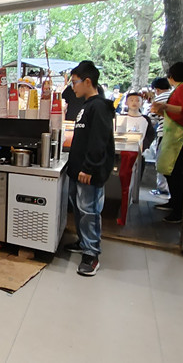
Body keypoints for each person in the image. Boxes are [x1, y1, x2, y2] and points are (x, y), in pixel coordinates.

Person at [62, 60, 115, 276]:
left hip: (89, 171)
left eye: (74, 82)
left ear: (87, 81)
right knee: (79, 208)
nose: (72, 87)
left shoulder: (100, 107)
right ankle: (83, 242)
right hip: (78, 169)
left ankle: (91, 254)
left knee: (89, 211)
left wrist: (89, 168)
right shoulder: (85, 106)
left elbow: (98, 141)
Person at [151, 62, 183, 223]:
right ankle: (174, 202)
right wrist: (163, 110)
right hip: (175, 134)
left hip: (180, 136)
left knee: (175, 172)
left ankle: (178, 210)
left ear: (171, 75)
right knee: (170, 171)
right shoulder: (182, 88)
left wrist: (165, 106)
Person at [116, 92, 153, 225]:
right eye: (131, 100)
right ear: (126, 102)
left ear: (142, 103)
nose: (134, 103)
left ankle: (128, 207)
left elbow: (149, 136)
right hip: (122, 152)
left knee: (131, 182)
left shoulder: (145, 120)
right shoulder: (120, 118)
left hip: (137, 154)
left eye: (137, 100)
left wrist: (143, 146)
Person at [148, 77, 173, 198]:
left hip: (164, 133)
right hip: (177, 134)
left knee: (161, 162)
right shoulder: (173, 95)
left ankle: (162, 189)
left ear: (157, 89)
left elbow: (151, 119)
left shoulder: (159, 98)